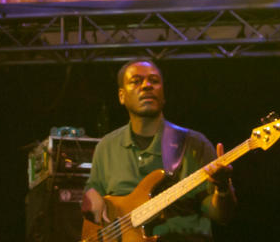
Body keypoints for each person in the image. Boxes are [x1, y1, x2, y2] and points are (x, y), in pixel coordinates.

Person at [82, 59, 236, 242]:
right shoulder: (106, 147)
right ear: (121, 96)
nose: (147, 86)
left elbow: (221, 216)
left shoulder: (194, 144)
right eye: (136, 81)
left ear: (163, 94)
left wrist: (223, 189)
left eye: (154, 81)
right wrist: (90, 198)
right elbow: (92, 191)